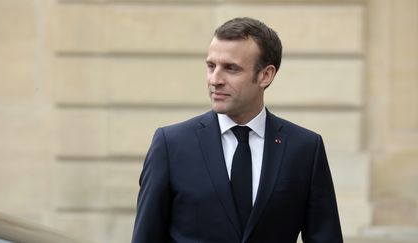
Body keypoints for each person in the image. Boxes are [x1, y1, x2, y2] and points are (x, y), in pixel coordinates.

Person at [132, 17, 343, 243]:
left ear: (265, 75)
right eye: (211, 66)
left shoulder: (305, 149)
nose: (215, 80)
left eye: (231, 69)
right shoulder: (170, 145)